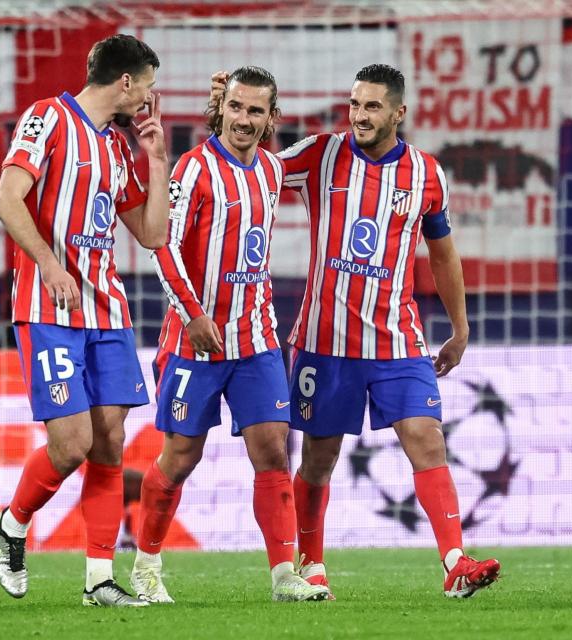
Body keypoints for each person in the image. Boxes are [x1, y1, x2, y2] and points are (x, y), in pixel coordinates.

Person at [210, 64, 501, 598]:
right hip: (326, 343)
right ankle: (311, 563)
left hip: (399, 339)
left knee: (427, 439)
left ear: (399, 113)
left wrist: (460, 328)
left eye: (372, 106)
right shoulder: (321, 153)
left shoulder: (426, 175)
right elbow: (249, 170)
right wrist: (228, 118)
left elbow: (443, 254)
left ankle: (455, 562)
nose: (360, 115)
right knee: (319, 458)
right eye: (355, 104)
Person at [130, 66, 330, 604]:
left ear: (270, 118)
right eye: (236, 108)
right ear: (222, 110)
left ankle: (284, 574)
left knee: (273, 451)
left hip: (257, 337)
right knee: (180, 456)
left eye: (255, 111)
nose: (244, 120)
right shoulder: (193, 171)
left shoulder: (270, 169)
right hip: (195, 340)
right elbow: (162, 248)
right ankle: (146, 567)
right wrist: (194, 315)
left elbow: (321, 154)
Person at [0, 34, 169, 607]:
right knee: (71, 444)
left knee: (111, 442)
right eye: (146, 83)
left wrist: (158, 158)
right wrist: (48, 264)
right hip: (50, 307)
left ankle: (98, 580)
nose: (148, 94)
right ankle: (13, 524)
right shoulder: (47, 118)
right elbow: (7, 198)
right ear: (125, 82)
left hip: (107, 311)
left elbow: (152, 233)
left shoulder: (119, 149)